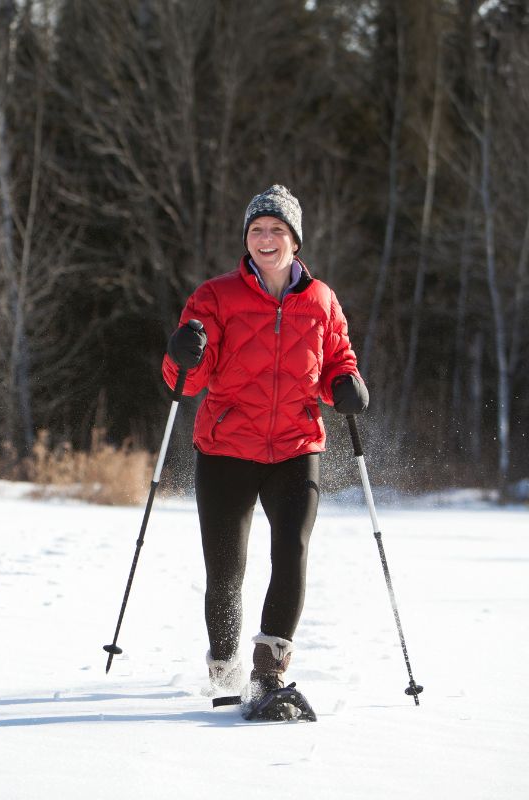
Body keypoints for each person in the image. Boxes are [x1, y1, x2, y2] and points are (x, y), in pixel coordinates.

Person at [161, 184, 367, 704]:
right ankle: (226, 667)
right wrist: (182, 352)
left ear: (295, 241)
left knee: (291, 550)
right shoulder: (215, 296)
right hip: (226, 447)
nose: (266, 238)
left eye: (277, 230)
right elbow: (186, 382)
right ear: (246, 239)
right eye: (257, 230)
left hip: (296, 447)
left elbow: (338, 359)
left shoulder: (321, 300)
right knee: (226, 566)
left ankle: (269, 670)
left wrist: (346, 384)